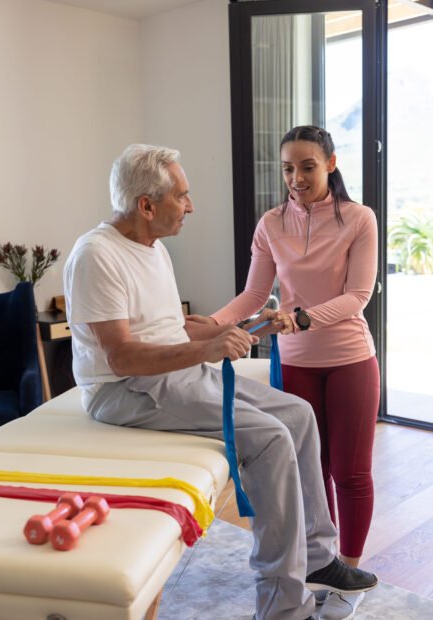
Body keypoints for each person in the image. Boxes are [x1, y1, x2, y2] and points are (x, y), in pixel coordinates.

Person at [63, 143, 378, 620]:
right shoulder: (96, 256)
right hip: (124, 391)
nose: (190, 206)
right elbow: (122, 356)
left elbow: (173, 328)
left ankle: (318, 557)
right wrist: (208, 350)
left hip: (175, 372)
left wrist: (244, 327)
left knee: (298, 413)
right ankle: (282, 603)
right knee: (270, 440)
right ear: (147, 206)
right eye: (182, 197)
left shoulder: (153, 248)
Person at [189, 126, 380, 619]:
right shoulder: (271, 224)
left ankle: (344, 582)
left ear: (331, 164)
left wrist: (302, 317)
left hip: (349, 359)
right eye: (288, 168)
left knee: (350, 473)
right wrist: (211, 325)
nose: (296, 178)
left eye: (308, 166)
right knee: (310, 473)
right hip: (296, 362)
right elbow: (254, 295)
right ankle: (323, 562)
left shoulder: (359, 219)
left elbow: (358, 295)